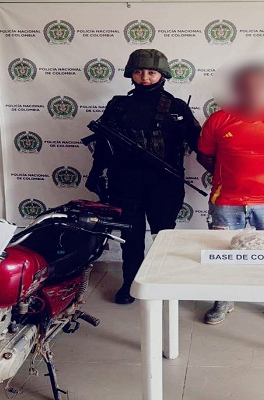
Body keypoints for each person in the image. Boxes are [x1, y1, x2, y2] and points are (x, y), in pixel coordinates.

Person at [86, 49, 201, 305]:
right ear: (131, 74)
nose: (145, 78)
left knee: (164, 235)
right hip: (125, 181)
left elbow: (199, 142)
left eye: (151, 72)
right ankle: (130, 281)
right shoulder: (118, 105)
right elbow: (103, 145)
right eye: (139, 72)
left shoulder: (176, 107)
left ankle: (163, 280)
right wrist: (96, 172)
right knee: (131, 235)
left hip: (165, 183)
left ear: (162, 74)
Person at [197, 63, 264, 327]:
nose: (253, 91)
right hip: (226, 201)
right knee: (223, 253)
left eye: (260, 86)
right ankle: (223, 300)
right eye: (246, 86)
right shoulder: (219, 119)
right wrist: (231, 175)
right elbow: (204, 156)